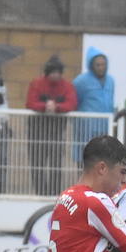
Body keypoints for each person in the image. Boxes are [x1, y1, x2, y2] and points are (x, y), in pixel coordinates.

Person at [25, 55, 77, 196]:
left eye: (58, 72)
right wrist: (45, 106)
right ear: (47, 73)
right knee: (37, 165)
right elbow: (30, 102)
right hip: (37, 132)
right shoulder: (36, 83)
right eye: (52, 72)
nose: (55, 75)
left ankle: (54, 194)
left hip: (56, 132)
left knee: (56, 165)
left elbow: (71, 103)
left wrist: (57, 107)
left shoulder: (67, 86)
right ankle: (40, 193)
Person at [73, 51, 115, 162]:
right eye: (98, 65)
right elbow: (75, 102)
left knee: (104, 158)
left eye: (103, 64)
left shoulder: (111, 80)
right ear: (91, 65)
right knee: (85, 156)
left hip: (105, 126)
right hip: (86, 127)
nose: (101, 67)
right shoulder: (80, 81)